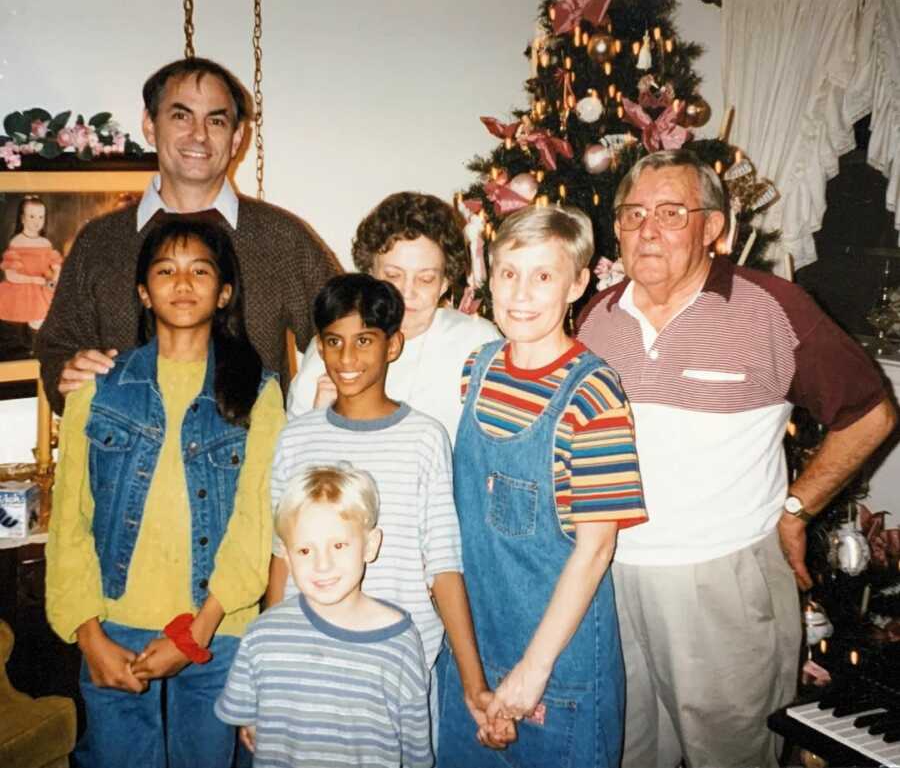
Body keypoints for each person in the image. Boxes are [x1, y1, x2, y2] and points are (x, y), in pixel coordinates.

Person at [577, 148, 897, 768]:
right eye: (633, 213)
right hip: (609, 576)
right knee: (626, 751)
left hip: (720, 580)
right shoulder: (596, 318)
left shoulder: (771, 307)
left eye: (671, 212)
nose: (647, 229)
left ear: (714, 228)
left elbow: (872, 414)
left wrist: (797, 510)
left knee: (730, 754)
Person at [45, 219, 285, 768]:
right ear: (142, 291)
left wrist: (194, 635)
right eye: (165, 270)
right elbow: (70, 523)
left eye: (200, 270)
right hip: (113, 630)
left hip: (217, 630)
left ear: (224, 292)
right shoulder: (96, 387)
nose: (183, 282)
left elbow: (256, 525)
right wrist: (89, 636)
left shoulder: (259, 393)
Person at [438, 205, 648, 768]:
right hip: (472, 653)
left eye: (543, 276)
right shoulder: (475, 370)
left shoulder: (595, 393)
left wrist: (533, 671)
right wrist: (469, 668)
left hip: (556, 664)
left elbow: (596, 547)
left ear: (577, 283)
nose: (521, 294)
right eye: (509, 273)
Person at [268, 273, 511, 751]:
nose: (348, 358)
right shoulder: (296, 437)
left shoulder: (423, 438)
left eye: (364, 340)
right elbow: (281, 558)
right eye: (334, 342)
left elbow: (443, 563)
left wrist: (471, 681)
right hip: (308, 665)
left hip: (397, 668)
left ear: (392, 345)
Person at [36, 56, 340, 414]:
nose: (199, 134)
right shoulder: (99, 241)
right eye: (181, 116)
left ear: (237, 136)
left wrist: (312, 420)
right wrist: (67, 373)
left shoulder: (281, 238)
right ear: (150, 126)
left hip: (253, 464)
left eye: (216, 120)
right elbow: (57, 347)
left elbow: (348, 333)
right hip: (126, 464)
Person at [216, 463, 433, 768]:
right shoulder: (262, 635)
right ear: (287, 556)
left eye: (339, 545)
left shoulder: (400, 641)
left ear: (370, 546)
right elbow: (248, 722)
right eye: (305, 551)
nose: (322, 565)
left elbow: (416, 751)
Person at [287, 191, 499, 443]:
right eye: (393, 276)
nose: (406, 293)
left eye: (426, 278)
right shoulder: (334, 346)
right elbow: (291, 458)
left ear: (445, 283)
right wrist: (319, 419)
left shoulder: (478, 343)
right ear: (369, 273)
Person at [0, 195, 62, 348]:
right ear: (22, 218)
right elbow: (11, 276)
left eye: (41, 217)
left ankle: (37, 349)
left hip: (43, 289)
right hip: (23, 291)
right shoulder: (17, 242)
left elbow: (55, 266)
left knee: (43, 321)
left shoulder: (45, 242)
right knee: (28, 322)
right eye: (32, 216)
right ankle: (27, 349)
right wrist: (34, 280)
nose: (37, 221)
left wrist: (55, 276)